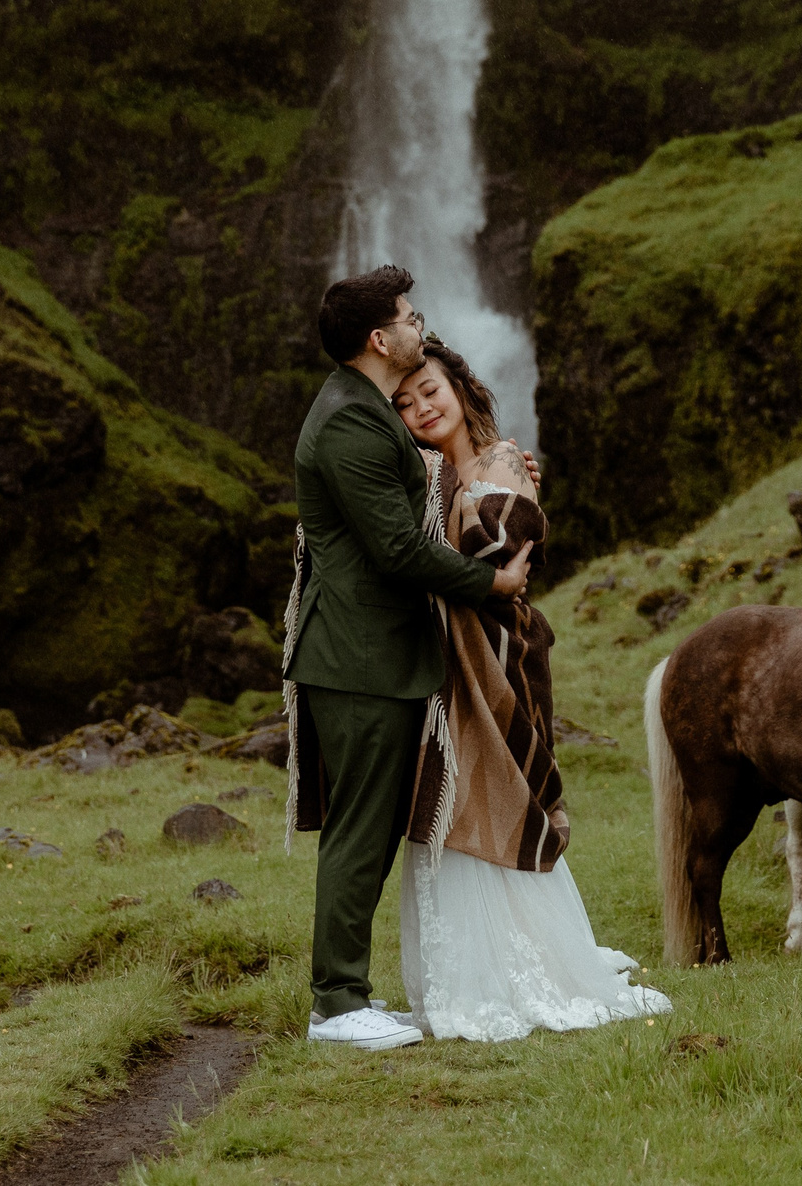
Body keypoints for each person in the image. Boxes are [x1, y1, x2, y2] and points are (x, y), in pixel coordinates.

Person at [391, 340, 673, 1041]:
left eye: (430, 390)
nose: (421, 407)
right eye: (403, 402)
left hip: (499, 658)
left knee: (503, 791)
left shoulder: (503, 462)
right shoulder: (422, 478)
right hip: (438, 665)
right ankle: (461, 973)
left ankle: (527, 963)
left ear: (459, 388)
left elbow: (501, 555)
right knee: (445, 802)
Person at [283, 266, 535, 1051]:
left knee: (371, 826)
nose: (417, 322)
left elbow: (416, 505)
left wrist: (493, 477)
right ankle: (336, 1003)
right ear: (379, 338)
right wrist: (491, 578)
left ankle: (348, 993)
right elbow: (395, 548)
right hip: (359, 656)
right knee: (359, 831)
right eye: (407, 314)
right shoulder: (351, 423)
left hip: (378, 654)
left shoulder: (359, 409)